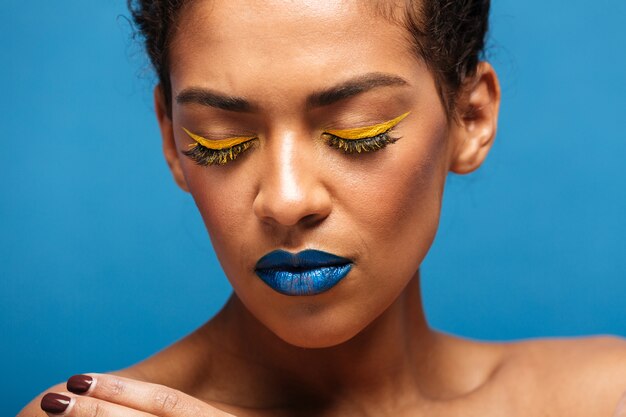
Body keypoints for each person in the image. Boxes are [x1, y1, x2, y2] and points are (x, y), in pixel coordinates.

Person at [19, 0, 626, 416]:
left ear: (470, 118)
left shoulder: (601, 396)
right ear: (170, 139)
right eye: (217, 138)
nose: (285, 200)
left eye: (357, 133)